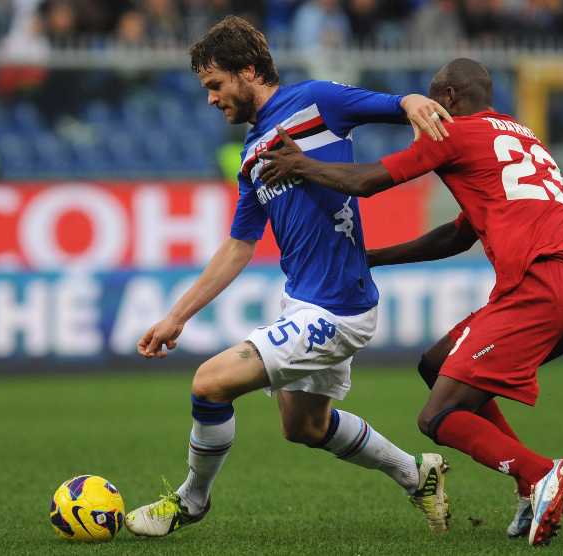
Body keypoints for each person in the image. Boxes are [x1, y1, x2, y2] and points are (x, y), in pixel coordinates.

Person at [124, 15, 456, 538]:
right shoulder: (252, 155)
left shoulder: (317, 102)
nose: (211, 99)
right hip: (301, 302)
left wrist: (411, 102)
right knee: (306, 427)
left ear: (249, 71)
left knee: (210, 384)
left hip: (339, 309)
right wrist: (175, 317)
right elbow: (238, 246)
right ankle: (418, 475)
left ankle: (190, 501)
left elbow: (393, 105)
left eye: (215, 85)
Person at [257, 58, 563, 547]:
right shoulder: (523, 137)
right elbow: (458, 236)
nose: (426, 113)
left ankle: (541, 472)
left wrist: (301, 164)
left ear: (450, 100)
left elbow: (369, 181)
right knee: (437, 365)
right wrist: (371, 258)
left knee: (435, 419)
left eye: (433, 101)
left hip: (535, 292)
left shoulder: (454, 132)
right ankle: (530, 483)